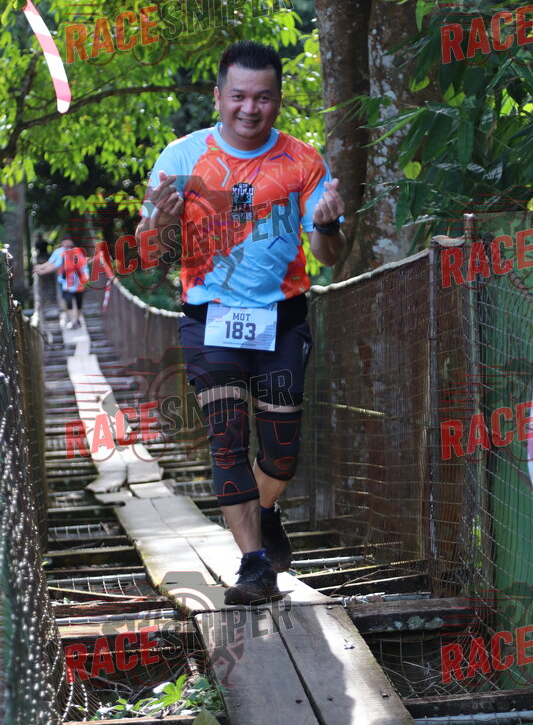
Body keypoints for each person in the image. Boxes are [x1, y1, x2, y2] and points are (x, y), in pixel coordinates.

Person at [136, 40, 345, 604]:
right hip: (210, 319)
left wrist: (328, 226)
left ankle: (266, 511)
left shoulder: (303, 161)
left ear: (278, 100)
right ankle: (254, 566)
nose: (250, 108)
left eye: (263, 98)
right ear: (218, 97)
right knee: (226, 439)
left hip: (283, 319)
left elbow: (330, 255)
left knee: (281, 450)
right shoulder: (181, 158)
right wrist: (161, 222)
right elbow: (151, 254)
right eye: (238, 96)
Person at [34, 234, 88, 329]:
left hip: (78, 283)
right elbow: (53, 264)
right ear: (62, 242)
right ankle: (74, 320)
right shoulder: (59, 252)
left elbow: (84, 265)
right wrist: (41, 268)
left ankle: (76, 319)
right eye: (65, 241)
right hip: (65, 282)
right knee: (68, 301)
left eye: (68, 240)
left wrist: (86, 275)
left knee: (78, 303)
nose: (66, 242)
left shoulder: (78, 252)